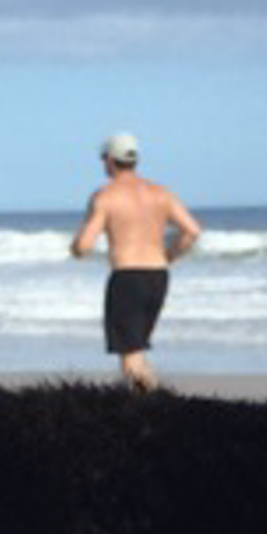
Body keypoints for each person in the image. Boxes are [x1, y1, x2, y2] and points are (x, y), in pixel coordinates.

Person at [69, 131, 202, 390]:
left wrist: (75, 249)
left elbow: (84, 246)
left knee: (130, 357)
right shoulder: (161, 193)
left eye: (103, 158)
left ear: (109, 160)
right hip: (158, 276)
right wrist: (169, 256)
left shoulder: (105, 196)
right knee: (136, 350)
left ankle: (160, 403)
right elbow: (192, 231)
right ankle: (148, 403)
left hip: (127, 277)